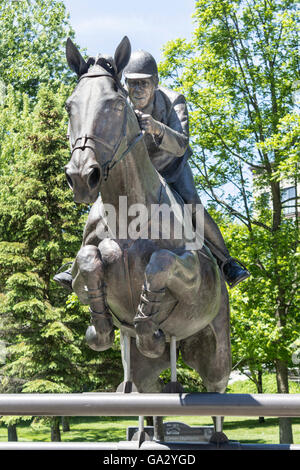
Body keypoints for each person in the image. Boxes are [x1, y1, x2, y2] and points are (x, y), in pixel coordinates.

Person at [54, 50, 249, 290]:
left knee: (190, 201)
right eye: (132, 84)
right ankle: (75, 267)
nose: (136, 91)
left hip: (170, 167)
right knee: (99, 208)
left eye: (143, 84)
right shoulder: (118, 103)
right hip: (135, 173)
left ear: (155, 83)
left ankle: (226, 262)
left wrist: (156, 128)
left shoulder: (173, 100)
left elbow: (181, 145)